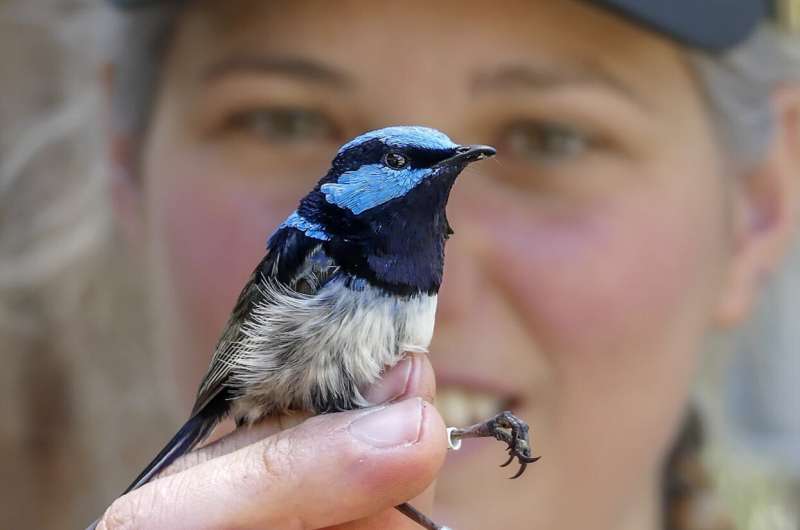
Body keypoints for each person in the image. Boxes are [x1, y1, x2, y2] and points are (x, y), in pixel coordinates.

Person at [58, 0, 800, 528]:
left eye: (554, 136)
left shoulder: (422, 253)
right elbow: (347, 415)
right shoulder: (320, 243)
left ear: (762, 204)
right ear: (125, 169)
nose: (464, 287)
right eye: (283, 119)